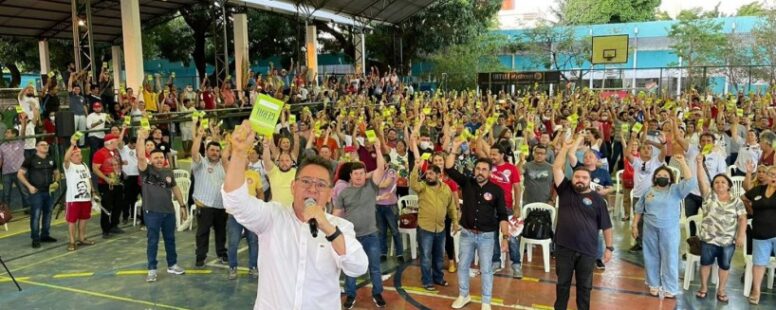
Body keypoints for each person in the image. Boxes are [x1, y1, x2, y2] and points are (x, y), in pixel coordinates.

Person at [222, 120, 368, 309]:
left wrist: (327, 227)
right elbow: (235, 201)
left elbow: (358, 266)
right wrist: (240, 153)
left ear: (331, 193)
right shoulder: (272, 217)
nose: (313, 189)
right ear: (293, 186)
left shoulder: (341, 228)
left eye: (321, 185)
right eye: (306, 181)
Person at [445, 138, 508, 310]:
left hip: (487, 236)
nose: (480, 172)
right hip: (467, 233)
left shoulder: (497, 190)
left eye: (484, 169)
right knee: (463, 265)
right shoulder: (467, 183)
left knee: (486, 269)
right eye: (478, 168)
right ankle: (463, 295)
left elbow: (503, 215)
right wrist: (455, 148)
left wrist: (505, 238)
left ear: (489, 172)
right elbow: (449, 168)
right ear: (474, 170)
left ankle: (486, 302)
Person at [551, 136, 613, 310]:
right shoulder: (565, 191)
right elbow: (556, 167)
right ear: (572, 178)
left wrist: (609, 248)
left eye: (584, 178)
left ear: (589, 180)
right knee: (562, 285)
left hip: (587, 251)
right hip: (564, 248)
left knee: (585, 288)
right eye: (577, 176)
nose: (580, 179)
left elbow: (607, 226)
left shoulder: (598, 200)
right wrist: (564, 147)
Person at [631, 154, 695, 298]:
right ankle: (653, 284)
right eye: (659, 174)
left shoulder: (676, 190)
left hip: (669, 230)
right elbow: (639, 209)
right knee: (650, 256)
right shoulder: (649, 191)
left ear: (670, 178)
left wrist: (683, 163)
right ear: (654, 177)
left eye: (665, 175)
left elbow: (690, 182)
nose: (662, 176)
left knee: (670, 258)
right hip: (649, 229)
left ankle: (670, 287)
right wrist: (634, 225)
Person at [334, 139, 387, 309]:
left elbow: (380, 168)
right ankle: (350, 296)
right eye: (355, 173)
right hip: (351, 238)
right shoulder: (344, 193)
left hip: (371, 235)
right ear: (350, 176)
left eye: (362, 173)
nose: (359, 176)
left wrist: (378, 149)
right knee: (350, 269)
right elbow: (337, 215)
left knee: (375, 268)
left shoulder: (371, 186)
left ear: (365, 175)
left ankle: (377, 293)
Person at [135, 128, 188, 282]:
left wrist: (182, 205)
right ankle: (152, 269)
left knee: (170, 239)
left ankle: (172, 264)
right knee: (153, 241)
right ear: (150, 159)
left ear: (165, 159)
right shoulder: (146, 170)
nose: (158, 159)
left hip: (169, 212)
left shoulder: (168, 172)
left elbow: (175, 188)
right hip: (152, 212)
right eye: (155, 157)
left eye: (161, 157)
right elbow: (139, 156)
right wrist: (141, 138)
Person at [694, 155, 746, 303]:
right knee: (705, 264)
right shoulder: (708, 196)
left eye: (723, 182)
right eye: (716, 182)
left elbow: (742, 218)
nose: (720, 184)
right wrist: (699, 164)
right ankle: (703, 287)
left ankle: (721, 290)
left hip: (727, 241)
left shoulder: (736, 201)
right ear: (713, 185)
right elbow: (701, 180)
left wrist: (740, 235)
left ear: (729, 185)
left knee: (724, 266)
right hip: (708, 239)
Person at [410, 161, 458, 291]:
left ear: (439, 175)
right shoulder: (423, 187)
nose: (428, 176)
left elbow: (451, 207)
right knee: (426, 257)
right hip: (425, 228)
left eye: (431, 174)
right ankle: (427, 281)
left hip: (441, 228)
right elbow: (413, 183)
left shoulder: (446, 188)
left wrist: (455, 222)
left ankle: (438, 278)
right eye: (427, 173)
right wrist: (416, 167)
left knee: (439, 256)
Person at [191, 124, 229, 267]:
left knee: (221, 233)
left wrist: (216, 135)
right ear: (206, 151)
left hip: (221, 205)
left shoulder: (224, 165)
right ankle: (200, 257)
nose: (215, 152)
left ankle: (222, 254)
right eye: (212, 150)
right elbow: (194, 152)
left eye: (217, 150)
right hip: (204, 205)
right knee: (203, 233)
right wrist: (199, 136)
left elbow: (226, 151)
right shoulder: (200, 163)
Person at [741, 165, 776, 305]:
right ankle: (756, 291)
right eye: (771, 174)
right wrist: (750, 210)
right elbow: (743, 197)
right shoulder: (757, 190)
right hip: (760, 233)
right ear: (766, 176)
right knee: (759, 264)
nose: (773, 176)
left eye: (775, 174)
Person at [18, 139, 60, 248]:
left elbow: (56, 172)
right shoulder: (30, 159)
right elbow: (20, 174)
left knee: (48, 213)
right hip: (36, 192)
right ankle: (35, 238)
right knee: (36, 215)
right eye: (42, 145)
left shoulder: (51, 159)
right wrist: (29, 186)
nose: (45, 146)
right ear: (36, 147)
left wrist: (56, 181)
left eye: (46, 145)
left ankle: (45, 235)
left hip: (49, 192)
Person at [226, 159, 263, 280]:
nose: (244, 160)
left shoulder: (255, 174)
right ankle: (232, 267)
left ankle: (253, 267)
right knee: (233, 242)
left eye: (246, 158)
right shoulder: (232, 174)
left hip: (251, 214)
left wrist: (259, 207)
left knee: (253, 241)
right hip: (235, 214)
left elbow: (260, 192)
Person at [63, 136, 97, 251]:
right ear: (71, 156)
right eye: (76, 155)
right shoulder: (69, 166)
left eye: (80, 154)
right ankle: (72, 241)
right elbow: (66, 159)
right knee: (72, 221)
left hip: (86, 199)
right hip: (73, 199)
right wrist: (72, 145)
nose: (80, 156)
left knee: (84, 219)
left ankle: (82, 238)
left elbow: (89, 179)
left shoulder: (84, 165)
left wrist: (93, 191)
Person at [92, 133, 124, 238]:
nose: (118, 142)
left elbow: (115, 163)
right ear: (110, 142)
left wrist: (122, 163)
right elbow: (95, 168)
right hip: (106, 183)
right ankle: (105, 230)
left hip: (117, 181)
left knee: (118, 204)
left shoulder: (115, 151)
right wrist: (105, 178)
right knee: (106, 206)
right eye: (116, 141)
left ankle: (114, 225)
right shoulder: (100, 153)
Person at [374, 154, 403, 261]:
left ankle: (400, 253)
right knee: (381, 231)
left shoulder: (391, 171)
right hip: (378, 205)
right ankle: (383, 253)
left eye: (383, 162)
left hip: (390, 205)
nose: (381, 164)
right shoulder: (377, 172)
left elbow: (385, 185)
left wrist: (375, 183)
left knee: (394, 231)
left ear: (388, 163)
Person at [0, 127, 30, 210]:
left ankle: (28, 209)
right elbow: (1, 159)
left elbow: (23, 133)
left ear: (14, 134)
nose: (5, 134)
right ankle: (5, 212)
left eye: (8, 132)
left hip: (19, 172)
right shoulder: (2, 146)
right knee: (6, 194)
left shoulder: (20, 143)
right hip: (6, 172)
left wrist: (23, 123)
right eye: (5, 132)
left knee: (24, 191)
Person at [263, 138, 296, 206]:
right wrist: (266, 147)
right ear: (278, 163)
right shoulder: (273, 171)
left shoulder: (297, 173)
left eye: (287, 160)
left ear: (292, 162)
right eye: (281, 160)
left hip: (291, 210)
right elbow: (266, 161)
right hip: (276, 209)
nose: (284, 163)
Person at [119, 137, 142, 226]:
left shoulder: (138, 149)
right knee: (126, 198)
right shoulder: (123, 149)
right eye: (134, 146)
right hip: (127, 176)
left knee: (135, 197)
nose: (135, 148)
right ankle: (125, 216)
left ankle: (134, 214)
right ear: (130, 143)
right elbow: (119, 142)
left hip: (137, 175)